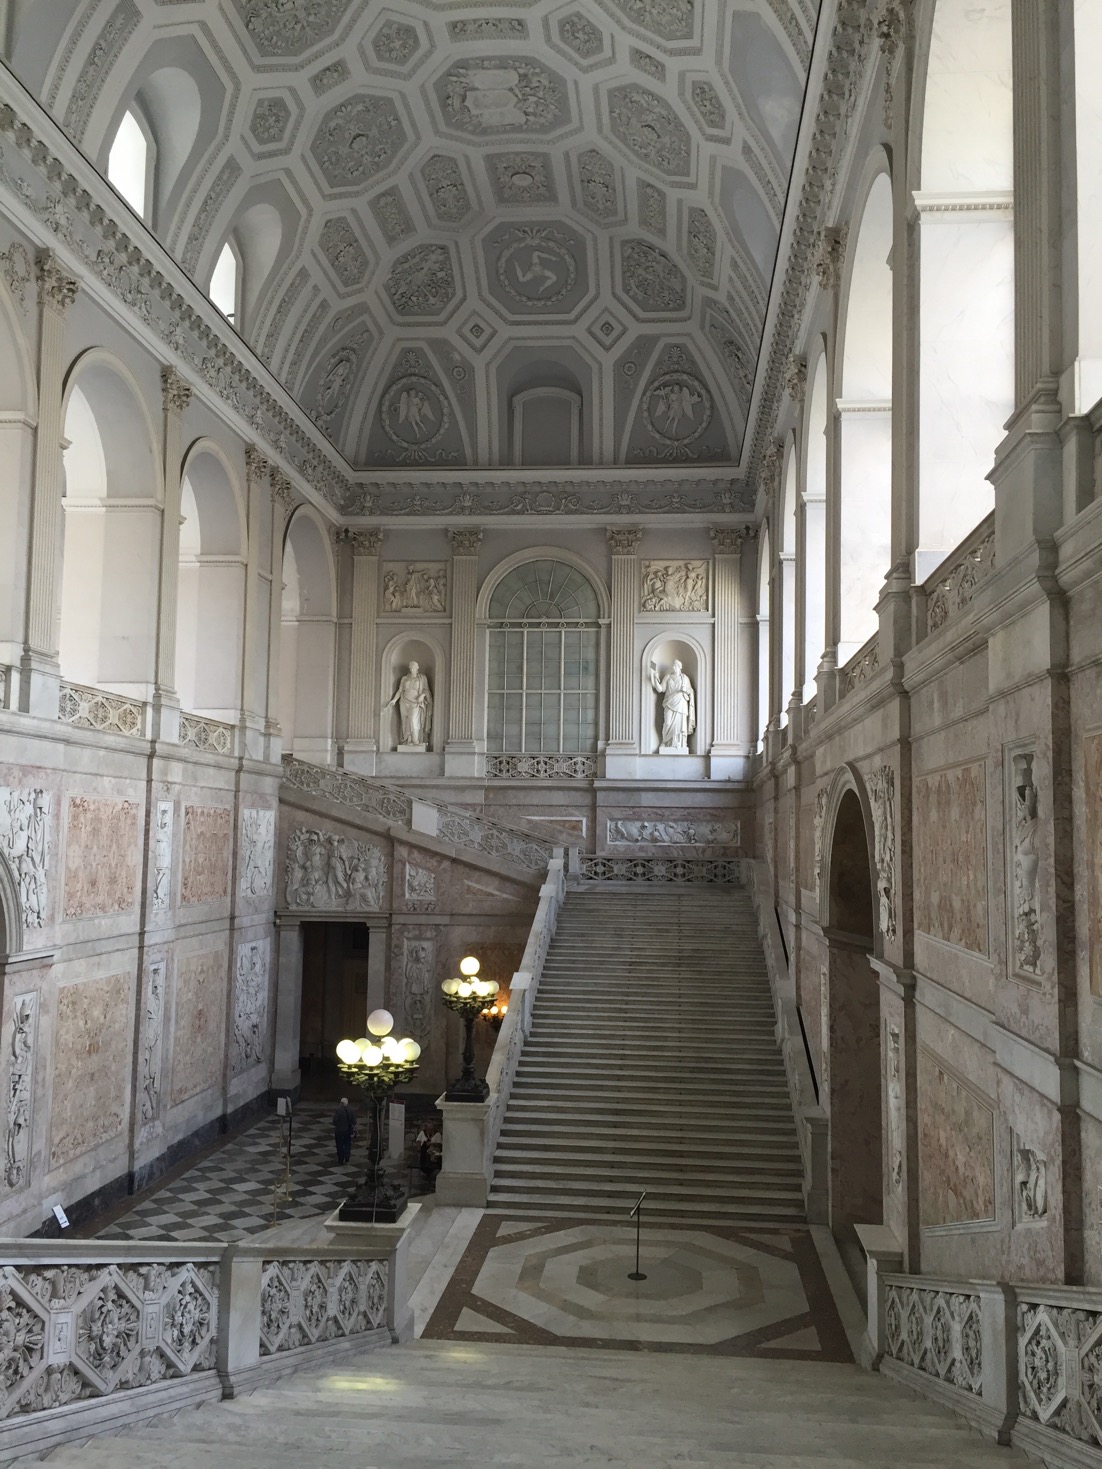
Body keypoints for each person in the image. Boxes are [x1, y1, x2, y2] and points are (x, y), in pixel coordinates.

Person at [383, 661, 433, 746]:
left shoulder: (422, 678)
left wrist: (423, 695)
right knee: (406, 722)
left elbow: (426, 690)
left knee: (413, 720)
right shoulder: (404, 678)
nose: (412, 669)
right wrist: (394, 700)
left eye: (414, 667)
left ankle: (416, 741)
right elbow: (400, 691)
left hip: (416, 703)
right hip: (404, 702)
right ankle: (407, 741)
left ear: (417, 668)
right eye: (411, 668)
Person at [650, 659, 696, 749]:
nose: (673, 667)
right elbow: (660, 689)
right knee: (667, 723)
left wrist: (685, 690)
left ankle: (680, 743)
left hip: (681, 704)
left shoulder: (685, 678)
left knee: (680, 725)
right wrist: (655, 679)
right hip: (669, 703)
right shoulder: (668, 677)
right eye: (673, 666)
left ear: (679, 667)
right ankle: (665, 742)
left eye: (675, 666)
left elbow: (690, 692)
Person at [332, 1097, 356, 1165]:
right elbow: (354, 1121)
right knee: (347, 1144)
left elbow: (334, 1121)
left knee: (339, 1145)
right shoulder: (351, 1110)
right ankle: (347, 1157)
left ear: (341, 1103)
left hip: (339, 1131)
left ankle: (341, 1159)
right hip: (348, 1130)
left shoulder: (338, 1110)